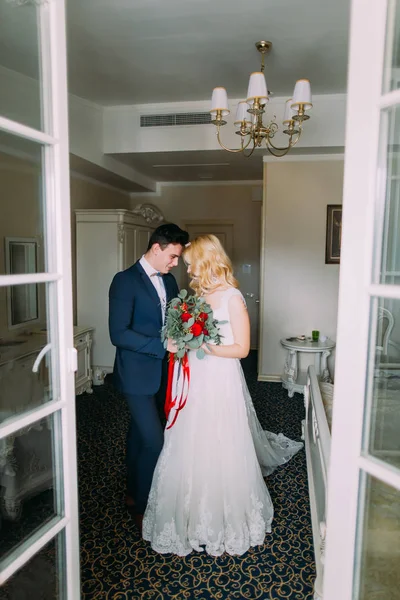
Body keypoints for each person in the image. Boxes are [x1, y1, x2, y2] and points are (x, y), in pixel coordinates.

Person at [143, 234, 303, 556]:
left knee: (221, 438)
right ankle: (189, 515)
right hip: (196, 377)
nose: (188, 272)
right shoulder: (198, 295)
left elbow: (242, 349)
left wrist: (207, 345)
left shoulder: (233, 297)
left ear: (205, 261)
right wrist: (183, 340)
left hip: (220, 378)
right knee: (190, 438)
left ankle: (225, 517)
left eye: (190, 265)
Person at [108, 223, 189, 532]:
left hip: (163, 372)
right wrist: (160, 346)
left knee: (139, 434)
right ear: (156, 248)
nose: (175, 263)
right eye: (172, 256)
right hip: (136, 375)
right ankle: (142, 505)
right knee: (155, 441)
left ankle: (131, 491)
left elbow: (171, 320)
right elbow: (118, 333)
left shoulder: (168, 282)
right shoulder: (124, 281)